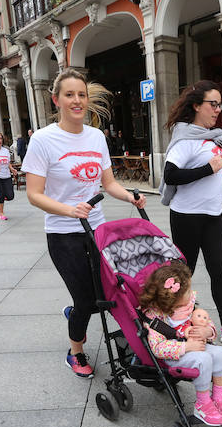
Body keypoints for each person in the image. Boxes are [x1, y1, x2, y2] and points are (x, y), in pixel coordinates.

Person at [22, 67, 146, 378]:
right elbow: (34, 195)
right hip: (64, 234)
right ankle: (74, 351)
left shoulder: (96, 137)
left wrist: (130, 197)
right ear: (56, 100)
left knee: (108, 293)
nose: (77, 100)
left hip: (98, 231)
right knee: (85, 300)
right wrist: (68, 210)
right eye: (69, 95)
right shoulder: (43, 140)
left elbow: (109, 183)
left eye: (81, 95)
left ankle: (78, 312)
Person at [162, 79, 222, 344]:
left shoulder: (213, 138)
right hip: (187, 217)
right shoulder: (186, 139)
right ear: (196, 106)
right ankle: (168, 321)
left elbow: (211, 168)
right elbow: (171, 175)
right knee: (182, 273)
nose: (217, 110)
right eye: (213, 104)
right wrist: (210, 169)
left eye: (219, 105)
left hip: (213, 216)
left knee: (219, 270)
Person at [139, 262, 222, 426]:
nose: (192, 294)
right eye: (188, 291)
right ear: (173, 301)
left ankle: (218, 398)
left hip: (197, 345)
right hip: (175, 355)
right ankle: (202, 404)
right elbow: (158, 348)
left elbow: (206, 321)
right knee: (204, 359)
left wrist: (207, 331)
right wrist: (187, 347)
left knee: (221, 353)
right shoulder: (155, 317)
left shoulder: (188, 306)